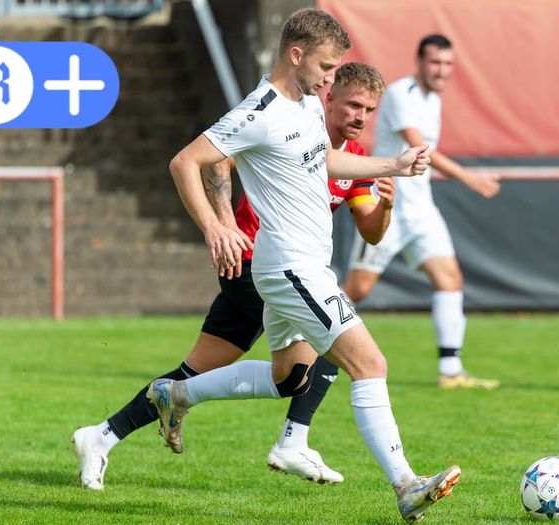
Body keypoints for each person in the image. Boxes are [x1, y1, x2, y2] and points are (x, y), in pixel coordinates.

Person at [149, 9, 459, 522]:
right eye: (328, 67)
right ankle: (405, 484)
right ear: (297, 56)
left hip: (297, 266)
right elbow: (186, 161)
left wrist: (393, 165)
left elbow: (326, 161)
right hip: (292, 267)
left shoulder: (309, 106)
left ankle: (176, 392)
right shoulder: (261, 109)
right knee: (369, 364)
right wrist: (215, 225)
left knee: (290, 379)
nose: (332, 79)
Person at [72, 62, 395, 489]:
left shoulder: (351, 160)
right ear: (329, 96)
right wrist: (224, 223)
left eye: (370, 110)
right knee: (336, 339)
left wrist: (386, 205)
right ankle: (293, 441)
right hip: (256, 263)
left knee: (194, 371)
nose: (360, 117)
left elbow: (370, 231)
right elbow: (219, 158)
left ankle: (99, 436)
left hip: (278, 269)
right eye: (354, 105)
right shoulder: (288, 123)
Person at [343, 34, 501, 389]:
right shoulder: (402, 94)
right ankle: (299, 340)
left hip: (422, 209)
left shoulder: (433, 100)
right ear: (420, 62)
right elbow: (420, 148)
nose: (442, 70)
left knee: (450, 278)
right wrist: (468, 178)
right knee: (358, 289)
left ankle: (451, 370)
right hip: (388, 201)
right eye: (435, 63)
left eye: (447, 64)